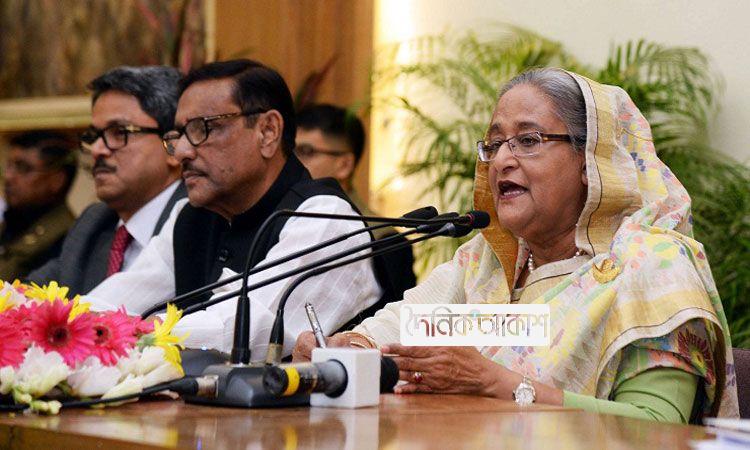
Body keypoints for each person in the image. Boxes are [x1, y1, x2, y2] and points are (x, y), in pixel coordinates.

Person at [293, 68, 739, 422]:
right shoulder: (489, 262)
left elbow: (658, 426)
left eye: (528, 140)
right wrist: (345, 348)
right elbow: (403, 328)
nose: (502, 159)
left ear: (591, 160)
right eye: (494, 143)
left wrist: (497, 383)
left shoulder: (651, 265)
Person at [85, 59, 382, 358]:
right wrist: (68, 328)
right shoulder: (190, 218)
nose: (182, 152)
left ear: (268, 131)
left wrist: (133, 332)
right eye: (179, 135)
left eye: (203, 128)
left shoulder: (325, 219)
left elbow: (246, 332)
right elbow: (117, 300)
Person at [28, 66, 186, 296]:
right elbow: (24, 297)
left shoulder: (196, 224)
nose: (97, 149)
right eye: (95, 135)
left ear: (173, 146)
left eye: (120, 132)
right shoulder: (94, 224)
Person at [295, 103, 416, 318]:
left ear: (344, 165)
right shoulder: (282, 219)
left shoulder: (383, 239)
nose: (293, 162)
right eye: (290, 151)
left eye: (306, 152)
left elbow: (396, 323)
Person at [0, 131, 77, 281]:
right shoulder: (13, 223)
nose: (9, 177)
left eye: (23, 168)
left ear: (57, 180)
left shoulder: (67, 239)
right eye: (9, 166)